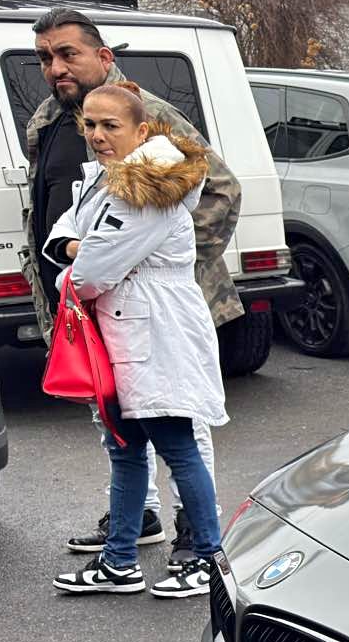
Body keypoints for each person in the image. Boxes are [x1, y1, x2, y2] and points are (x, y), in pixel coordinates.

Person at [23, 7, 240, 566]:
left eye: (68, 53)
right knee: (117, 422)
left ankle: (196, 535)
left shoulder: (147, 116)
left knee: (178, 422)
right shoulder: (52, 117)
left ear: (103, 56)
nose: (56, 67)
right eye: (46, 57)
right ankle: (136, 518)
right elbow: (62, 210)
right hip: (89, 305)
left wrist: (159, 267)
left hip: (148, 304)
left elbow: (219, 189)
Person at [47, 83, 227, 599]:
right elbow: (61, 234)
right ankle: (119, 560)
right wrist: (76, 248)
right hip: (119, 331)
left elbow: (95, 267)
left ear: (142, 131)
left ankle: (209, 560)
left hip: (156, 331)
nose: (98, 135)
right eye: (90, 124)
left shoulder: (150, 188)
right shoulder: (104, 183)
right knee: (124, 449)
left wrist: (70, 270)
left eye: (111, 126)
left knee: (176, 445)